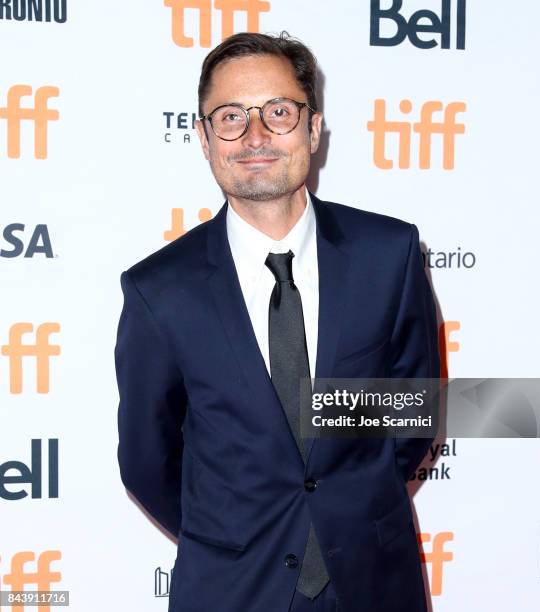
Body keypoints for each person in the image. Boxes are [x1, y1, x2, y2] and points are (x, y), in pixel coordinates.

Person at [115, 31, 439, 612]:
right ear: (205, 138)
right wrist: (230, 535)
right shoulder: (159, 290)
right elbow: (147, 460)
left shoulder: (387, 254)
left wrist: (353, 504)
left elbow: (414, 413)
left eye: (279, 112)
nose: (256, 135)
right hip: (230, 589)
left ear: (313, 129)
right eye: (232, 116)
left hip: (372, 581)